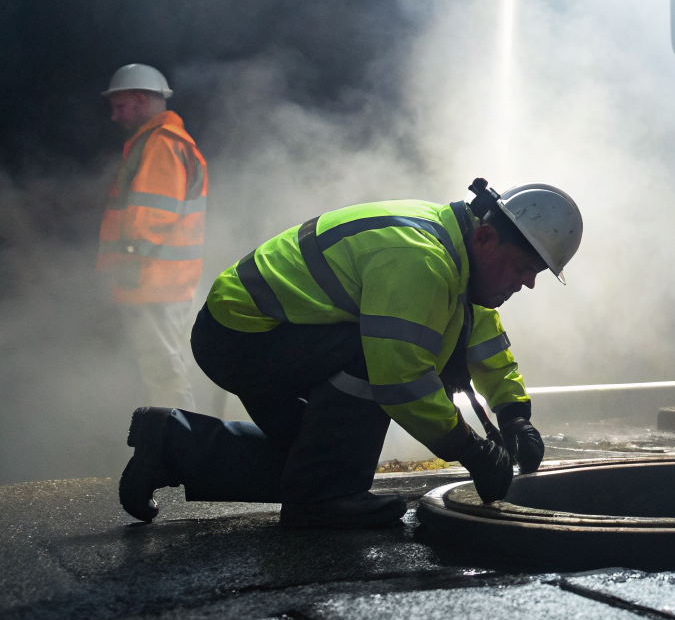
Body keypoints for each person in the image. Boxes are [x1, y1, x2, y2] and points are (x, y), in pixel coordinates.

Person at [117, 178, 582, 529]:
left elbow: (477, 335)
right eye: (523, 267)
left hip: (261, 334)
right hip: (242, 338)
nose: (528, 282)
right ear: (486, 238)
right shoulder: (419, 259)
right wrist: (472, 450)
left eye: (537, 273)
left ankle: (171, 444)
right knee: (367, 375)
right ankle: (322, 501)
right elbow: (401, 378)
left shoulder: (458, 253)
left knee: (317, 460)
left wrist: (514, 412)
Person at [98, 64, 208, 412]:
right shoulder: (159, 142)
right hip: (157, 281)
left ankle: (180, 453)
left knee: (164, 373)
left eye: (120, 106)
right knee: (163, 370)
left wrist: (129, 265)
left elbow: (153, 215)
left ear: (142, 100)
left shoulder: (163, 144)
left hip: (153, 282)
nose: (114, 117)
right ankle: (175, 448)